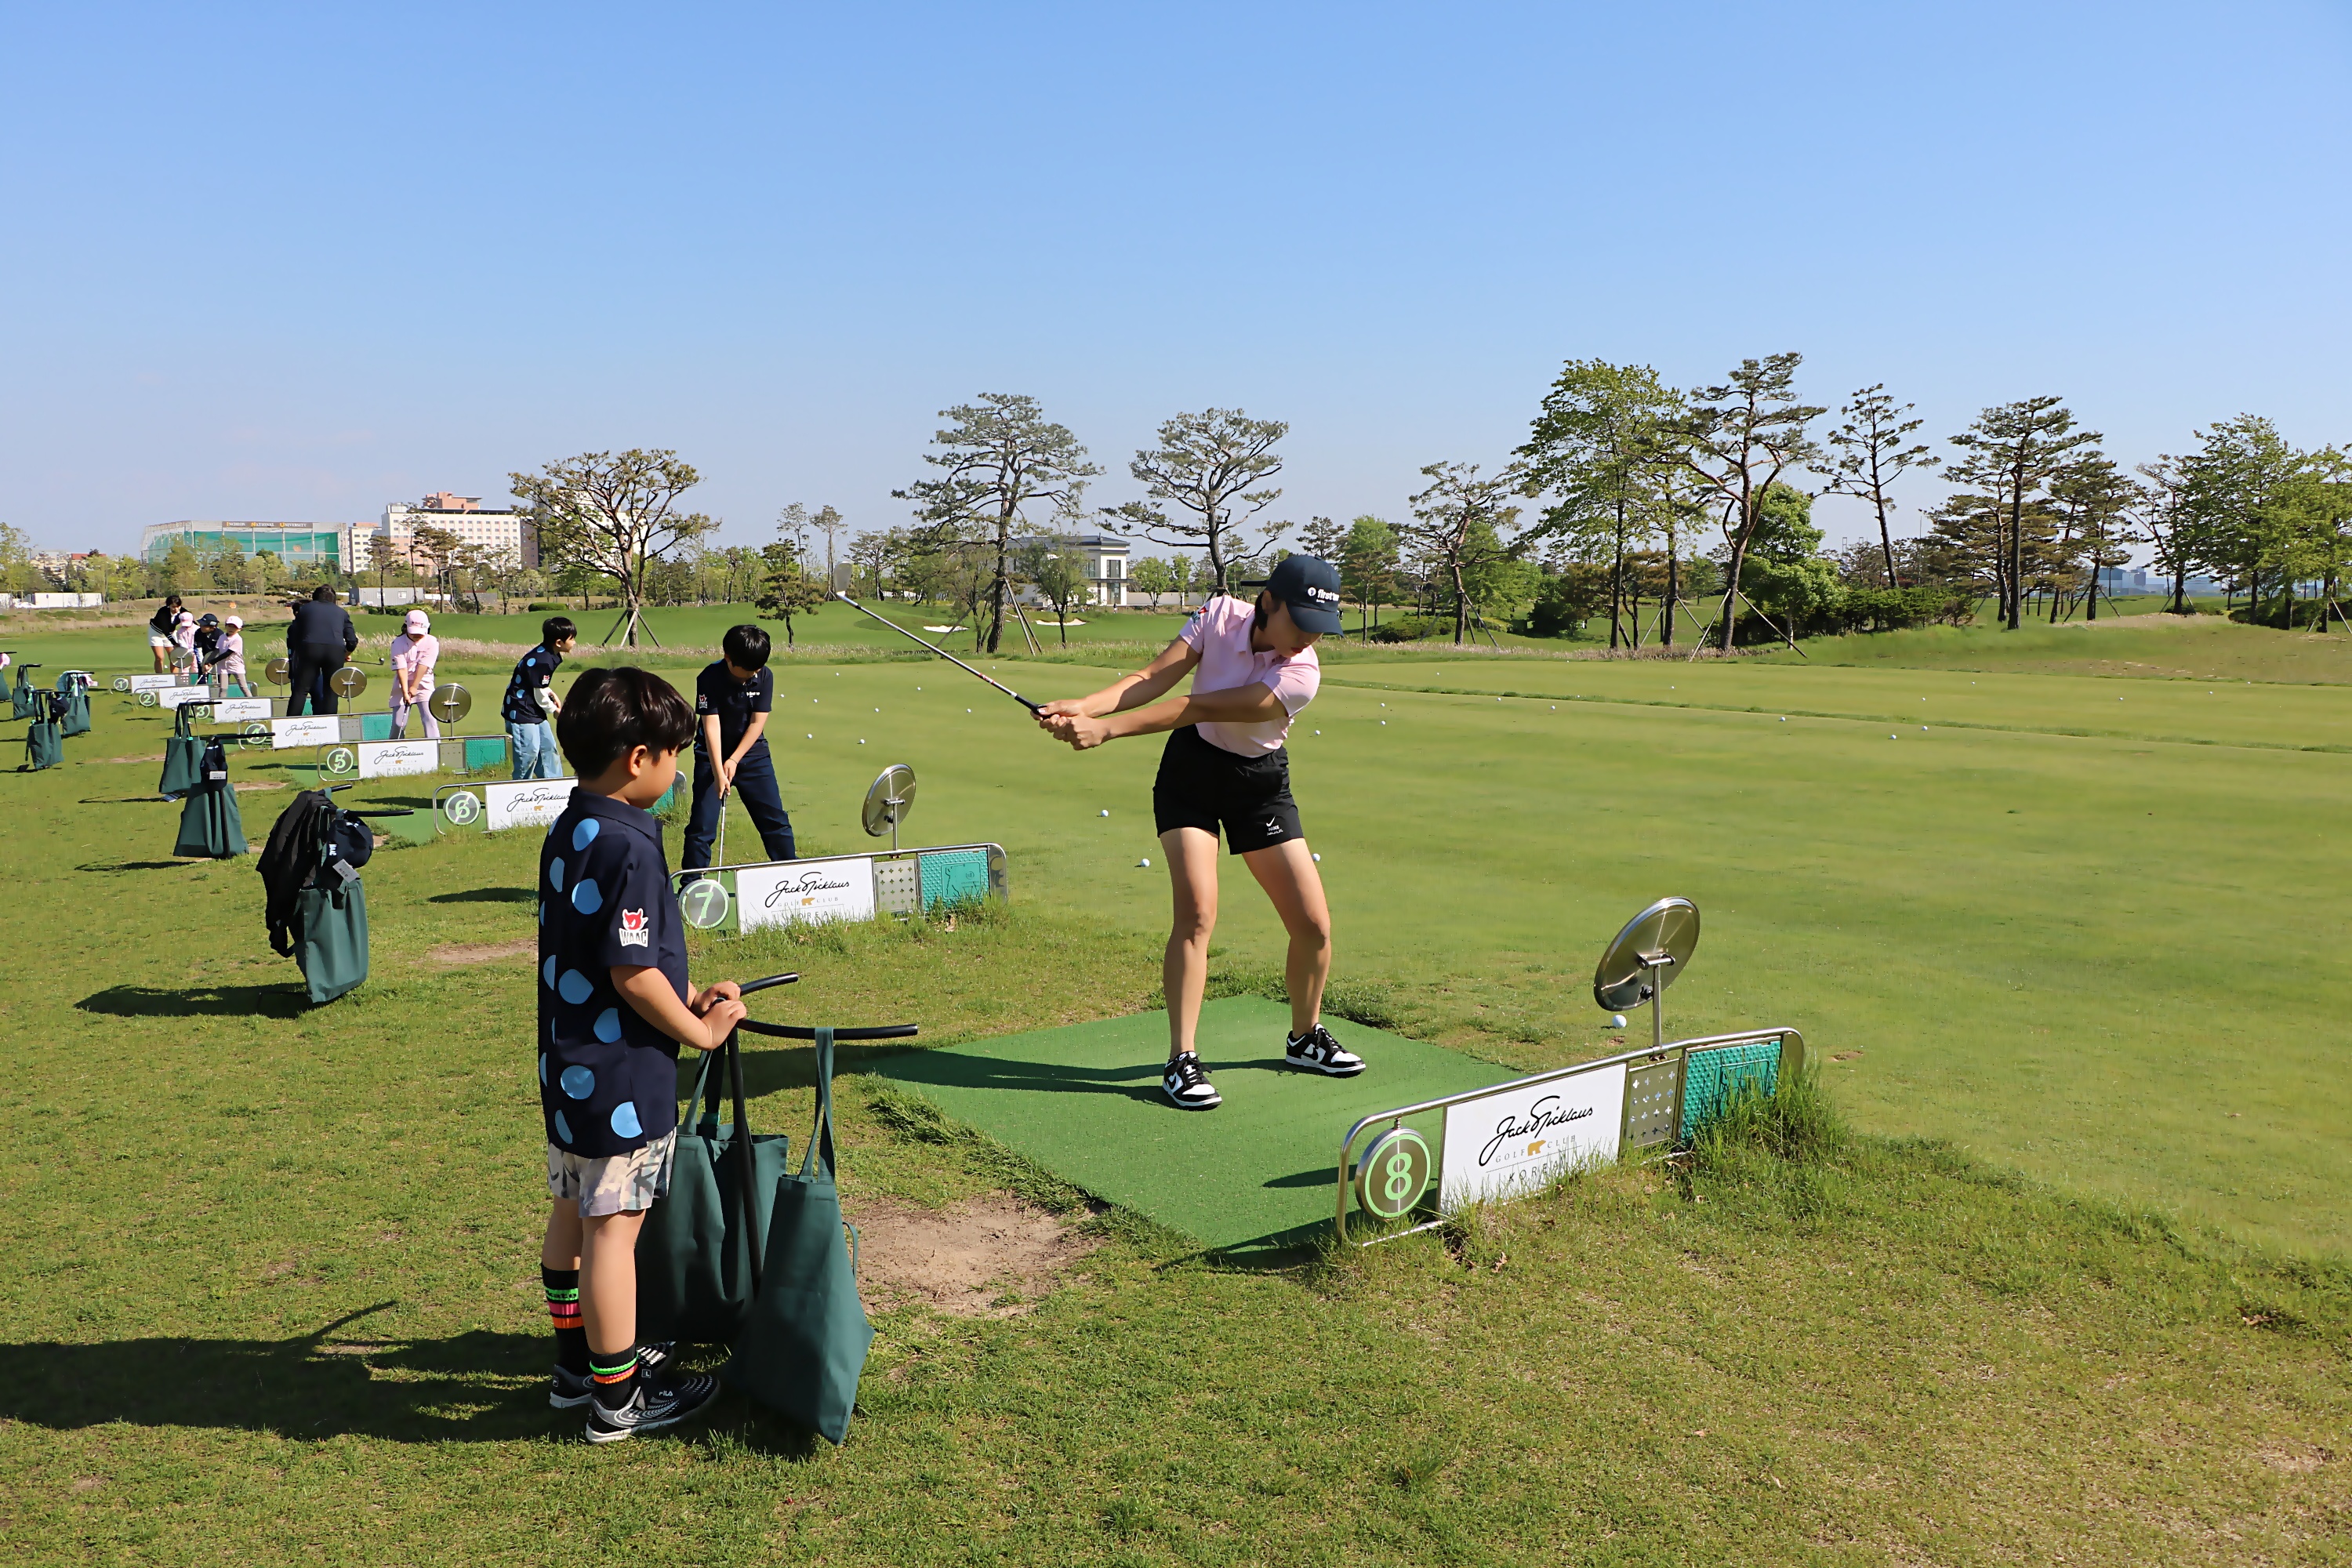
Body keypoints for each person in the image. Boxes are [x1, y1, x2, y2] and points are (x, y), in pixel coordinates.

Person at [1038, 555, 1360, 1111]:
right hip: (1191, 776)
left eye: (1319, 627)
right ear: (1268, 602)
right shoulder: (1218, 616)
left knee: (1314, 926)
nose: (1309, 637)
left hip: (1259, 785)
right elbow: (1153, 678)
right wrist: (1082, 707)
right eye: (1302, 621)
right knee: (1196, 915)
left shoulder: (1302, 674)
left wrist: (1106, 731)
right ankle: (1181, 1059)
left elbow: (1197, 705)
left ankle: (1305, 1036)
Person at [535, 666, 746, 1442]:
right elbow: (631, 972)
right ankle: (617, 1397)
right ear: (637, 758)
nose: (677, 768)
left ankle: (577, 1366)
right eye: (673, 754)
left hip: (570, 1069)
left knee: (574, 1210)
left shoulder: (575, 824)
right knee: (612, 1230)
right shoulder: (629, 843)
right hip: (619, 1074)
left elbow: (614, 953)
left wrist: (685, 993)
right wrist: (701, 1029)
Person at [681, 623, 797, 869]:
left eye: (757, 669)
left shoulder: (764, 676)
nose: (753, 674)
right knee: (702, 827)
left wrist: (734, 760)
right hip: (711, 756)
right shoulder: (709, 677)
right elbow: (711, 726)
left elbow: (757, 723)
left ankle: (791, 875)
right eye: (748, 670)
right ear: (728, 657)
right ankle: (692, 883)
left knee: (775, 821)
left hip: (753, 755)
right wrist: (719, 772)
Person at [503, 615, 576, 779]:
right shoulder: (543, 660)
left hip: (534, 709)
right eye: (572, 639)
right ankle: (519, 789)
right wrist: (554, 710)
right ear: (559, 642)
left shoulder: (550, 654)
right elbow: (539, 692)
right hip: (521, 711)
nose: (574, 642)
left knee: (547, 749)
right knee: (528, 753)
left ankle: (555, 787)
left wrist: (551, 694)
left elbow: (538, 684)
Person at [285, 586, 358, 717]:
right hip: (335, 650)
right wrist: (345, 654)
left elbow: (295, 634)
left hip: (309, 649)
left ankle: (291, 723)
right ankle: (329, 723)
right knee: (331, 691)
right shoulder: (342, 613)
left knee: (300, 690)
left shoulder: (305, 610)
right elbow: (352, 642)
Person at [389, 610, 441, 739]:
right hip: (402, 683)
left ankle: (435, 747)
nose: (417, 636)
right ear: (406, 627)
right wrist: (405, 692)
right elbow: (401, 668)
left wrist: (414, 686)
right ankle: (393, 748)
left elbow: (423, 666)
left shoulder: (432, 642)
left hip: (424, 683)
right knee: (398, 723)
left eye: (420, 633)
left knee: (430, 718)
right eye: (413, 632)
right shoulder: (398, 643)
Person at [212, 615, 249, 697]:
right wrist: (208, 662)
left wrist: (212, 662)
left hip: (236, 664)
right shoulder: (222, 637)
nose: (231, 629)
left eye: (234, 627)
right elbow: (216, 650)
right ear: (226, 626)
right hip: (223, 665)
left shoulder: (238, 639)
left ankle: (253, 702)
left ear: (240, 629)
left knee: (243, 687)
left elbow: (228, 653)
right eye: (229, 626)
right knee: (223, 688)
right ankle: (221, 703)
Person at [147, 595, 184, 673]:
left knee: (174, 657)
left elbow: (190, 619)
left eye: (178, 606)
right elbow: (165, 630)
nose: (176, 609)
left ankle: (175, 678)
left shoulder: (182, 611)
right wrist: (175, 643)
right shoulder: (163, 612)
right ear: (169, 606)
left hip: (170, 634)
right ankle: (160, 678)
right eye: (173, 607)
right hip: (156, 634)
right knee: (160, 657)